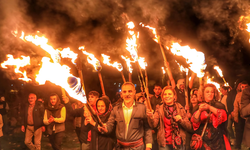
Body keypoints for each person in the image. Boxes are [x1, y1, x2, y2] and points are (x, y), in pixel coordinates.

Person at [98, 82, 152, 150]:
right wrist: (105, 128)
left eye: (130, 91)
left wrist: (148, 146)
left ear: (134, 92)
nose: (127, 94)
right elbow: (110, 125)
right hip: (120, 147)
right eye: (124, 92)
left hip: (137, 148)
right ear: (121, 94)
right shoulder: (116, 108)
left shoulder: (142, 108)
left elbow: (147, 128)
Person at [191, 84, 231, 150]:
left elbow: (223, 116)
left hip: (218, 139)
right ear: (203, 94)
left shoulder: (219, 105)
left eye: (212, 92)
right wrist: (199, 110)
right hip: (204, 140)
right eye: (207, 92)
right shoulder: (198, 106)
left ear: (215, 93)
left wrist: (209, 107)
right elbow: (194, 121)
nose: (210, 94)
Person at [232, 81, 249, 150]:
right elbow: (235, 106)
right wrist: (236, 117)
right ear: (240, 87)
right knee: (239, 132)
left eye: (246, 87)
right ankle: (238, 146)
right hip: (241, 116)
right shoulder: (238, 95)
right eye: (243, 87)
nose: (244, 88)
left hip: (248, 117)